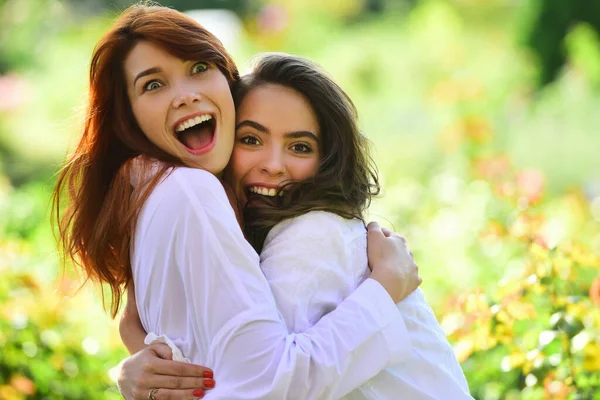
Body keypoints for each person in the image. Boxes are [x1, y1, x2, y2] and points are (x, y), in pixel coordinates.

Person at [52, 4, 421, 400]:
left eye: (198, 68)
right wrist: (141, 353)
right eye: (153, 85)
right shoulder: (187, 193)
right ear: (128, 118)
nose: (186, 96)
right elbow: (258, 379)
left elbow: (254, 379)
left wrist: (385, 288)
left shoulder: (308, 233)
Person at [118, 53, 473, 399]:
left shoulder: (312, 236)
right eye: (251, 140)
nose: (273, 165)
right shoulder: (239, 235)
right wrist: (134, 351)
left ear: (327, 162)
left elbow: (261, 386)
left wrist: (385, 286)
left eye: (300, 147)